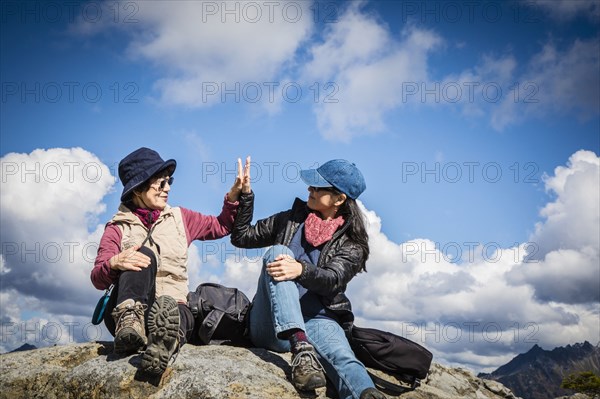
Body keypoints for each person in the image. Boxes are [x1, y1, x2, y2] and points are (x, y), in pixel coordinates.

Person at [231, 159, 386, 399]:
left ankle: (367, 394)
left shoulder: (353, 244)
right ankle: (301, 349)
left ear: (339, 198)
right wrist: (246, 196)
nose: (309, 190)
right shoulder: (292, 219)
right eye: (311, 186)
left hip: (318, 320)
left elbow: (333, 278)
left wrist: (300, 270)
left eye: (317, 187)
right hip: (271, 325)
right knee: (277, 253)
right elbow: (241, 237)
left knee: (345, 359)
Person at [91, 147, 247, 376]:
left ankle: (164, 342)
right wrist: (114, 263)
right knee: (141, 254)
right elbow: (97, 278)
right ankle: (132, 326)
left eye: (169, 181)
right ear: (138, 189)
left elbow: (221, 225)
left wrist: (234, 196)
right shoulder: (117, 228)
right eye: (161, 183)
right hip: (126, 313)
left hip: (172, 304)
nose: (168, 188)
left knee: (179, 313)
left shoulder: (181, 218)